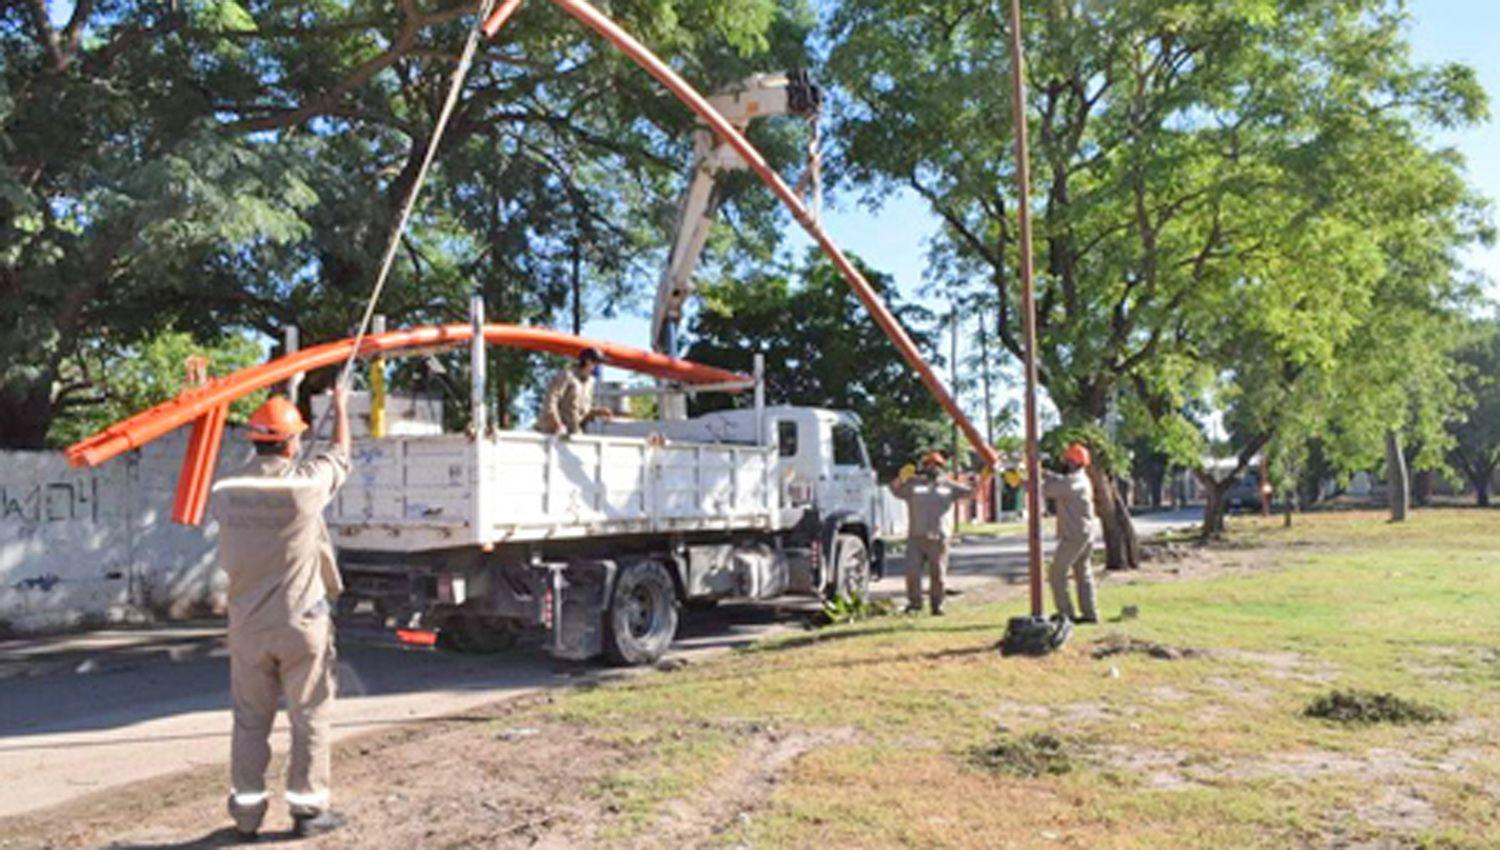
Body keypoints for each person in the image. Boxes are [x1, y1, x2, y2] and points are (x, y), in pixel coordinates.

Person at [211, 383, 351, 839]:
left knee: (250, 720)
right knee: (308, 713)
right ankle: (308, 812)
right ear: (291, 441)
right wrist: (342, 408)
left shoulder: (226, 490)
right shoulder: (306, 486)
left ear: (253, 439)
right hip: (300, 624)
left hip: (247, 627)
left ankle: (246, 817)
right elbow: (340, 454)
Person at [891, 451, 972, 615]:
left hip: (939, 537)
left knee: (938, 575)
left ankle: (937, 606)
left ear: (941, 467)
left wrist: (985, 477)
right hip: (916, 536)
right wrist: (900, 477)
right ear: (924, 466)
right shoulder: (913, 484)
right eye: (929, 464)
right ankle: (914, 604)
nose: (932, 467)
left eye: (936, 465)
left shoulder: (949, 486)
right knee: (912, 573)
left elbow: (971, 492)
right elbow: (895, 491)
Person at [1043, 442, 1100, 624]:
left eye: (1067, 461)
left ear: (1074, 462)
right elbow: (1058, 480)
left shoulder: (1074, 482)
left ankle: (1066, 614)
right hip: (1084, 533)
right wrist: (1042, 472)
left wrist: (1023, 480)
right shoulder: (1079, 479)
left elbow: (1047, 489)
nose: (1064, 463)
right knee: (1083, 573)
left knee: (1056, 573)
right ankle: (1090, 614)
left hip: (1074, 535)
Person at [536, 347, 614, 435]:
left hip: (573, 431)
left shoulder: (590, 382)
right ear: (587, 361)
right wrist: (558, 424)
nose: (599, 367)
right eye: (597, 363)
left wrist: (599, 412)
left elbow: (583, 411)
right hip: (551, 433)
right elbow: (550, 401)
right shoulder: (567, 376)